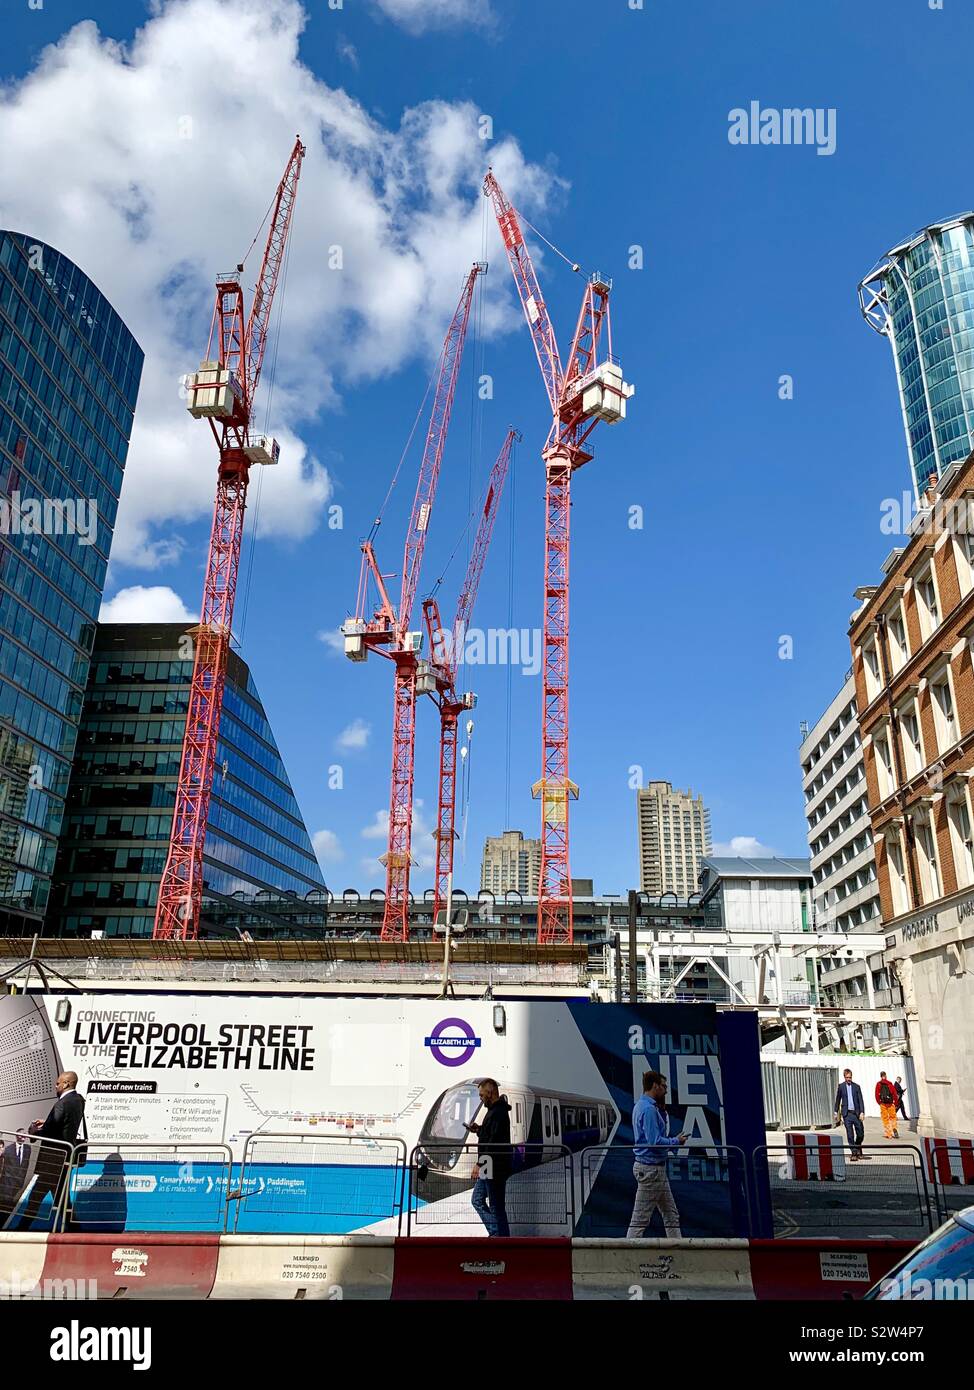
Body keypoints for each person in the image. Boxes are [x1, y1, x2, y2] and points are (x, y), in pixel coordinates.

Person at [16, 1071, 86, 1231]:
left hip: (52, 1160)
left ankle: (21, 1230)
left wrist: (33, 1132)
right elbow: (63, 1124)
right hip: (62, 1159)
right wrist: (47, 1122)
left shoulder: (62, 1103)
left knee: (40, 1199)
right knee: (56, 1200)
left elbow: (48, 1132)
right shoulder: (78, 1100)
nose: (56, 1086)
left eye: (57, 1083)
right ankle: (76, 1231)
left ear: (66, 1084)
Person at [626, 1070, 688, 1238]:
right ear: (655, 1086)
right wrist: (675, 1141)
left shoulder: (641, 1106)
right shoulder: (649, 1110)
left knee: (671, 1214)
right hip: (652, 1170)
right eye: (663, 1086)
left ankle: (677, 1248)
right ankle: (628, 1256)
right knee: (640, 1220)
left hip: (652, 1170)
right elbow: (654, 1141)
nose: (666, 1090)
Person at [466, 1078, 512, 1238]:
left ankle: (501, 1238)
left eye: (481, 1095)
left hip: (494, 1167)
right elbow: (489, 1135)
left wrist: (479, 1164)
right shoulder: (494, 1111)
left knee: (496, 1206)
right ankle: (497, 1234)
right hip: (489, 1166)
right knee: (477, 1200)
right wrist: (478, 1130)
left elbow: (493, 1141)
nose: (480, 1098)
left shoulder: (498, 1112)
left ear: (490, 1092)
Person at [0, 1129, 33, 1226]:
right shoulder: (8, 1149)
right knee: (5, 1205)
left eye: (25, 1134)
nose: (24, 1136)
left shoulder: (28, 1149)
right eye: (21, 1134)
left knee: (13, 1205)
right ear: (17, 1135)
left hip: (19, 1183)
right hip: (7, 1183)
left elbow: (25, 1164)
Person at [833, 1067, 866, 1160]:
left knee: (860, 1133)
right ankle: (854, 1153)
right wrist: (836, 1112)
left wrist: (862, 1112)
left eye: (850, 1077)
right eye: (847, 1077)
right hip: (847, 1114)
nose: (849, 1079)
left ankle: (858, 1146)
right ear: (844, 1077)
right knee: (850, 1134)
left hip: (856, 1113)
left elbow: (860, 1100)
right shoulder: (841, 1087)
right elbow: (838, 1100)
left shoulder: (856, 1087)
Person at [876, 1071, 899, 1139]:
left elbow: (876, 1094)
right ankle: (894, 1128)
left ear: (881, 1076)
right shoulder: (890, 1084)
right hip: (890, 1103)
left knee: (885, 1119)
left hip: (883, 1104)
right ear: (886, 1076)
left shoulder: (878, 1084)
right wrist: (896, 1103)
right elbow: (894, 1093)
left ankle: (889, 1134)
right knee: (893, 1117)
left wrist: (879, 1102)